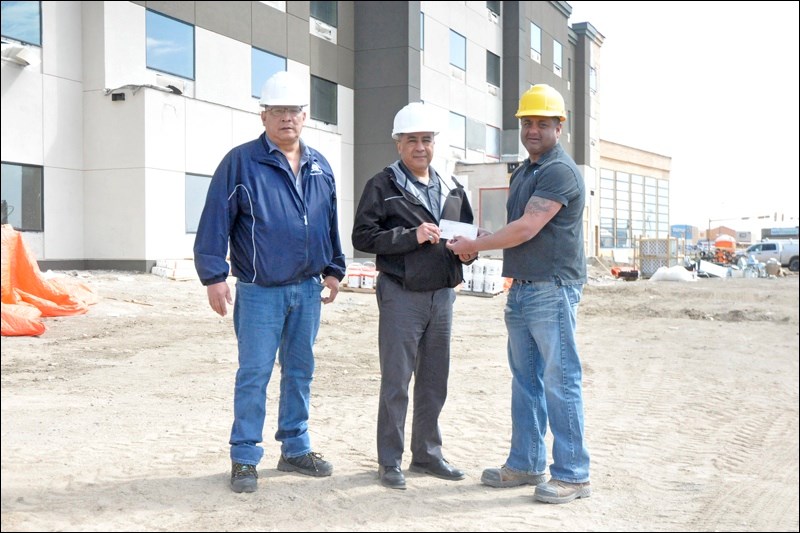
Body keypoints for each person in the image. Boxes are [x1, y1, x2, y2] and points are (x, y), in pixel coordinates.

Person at [193, 71, 346, 494]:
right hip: (260, 291)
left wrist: (334, 267)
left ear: (304, 116)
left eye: (293, 110)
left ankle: (295, 448)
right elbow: (215, 221)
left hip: (308, 289)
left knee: (300, 371)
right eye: (277, 110)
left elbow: (328, 222)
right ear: (263, 115)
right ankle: (244, 457)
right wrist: (213, 276)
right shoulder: (240, 162)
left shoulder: (320, 165)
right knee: (255, 373)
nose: (286, 118)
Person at [447, 83, 591, 504]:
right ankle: (527, 463)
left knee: (559, 381)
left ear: (558, 127)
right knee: (526, 382)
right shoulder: (527, 170)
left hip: (552, 289)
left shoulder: (558, 171)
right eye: (527, 122)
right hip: (524, 289)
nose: (532, 129)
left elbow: (529, 227)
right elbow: (521, 233)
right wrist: (486, 238)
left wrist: (475, 245)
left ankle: (574, 475)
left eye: (542, 123)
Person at [352, 102, 478, 490]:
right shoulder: (382, 186)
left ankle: (427, 454)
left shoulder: (452, 186)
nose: (420, 147)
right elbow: (362, 237)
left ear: (434, 143)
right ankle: (390, 461)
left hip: (442, 295)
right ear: (398, 144)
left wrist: (469, 252)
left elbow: (466, 231)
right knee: (397, 380)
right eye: (412, 141)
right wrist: (411, 236)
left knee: (434, 379)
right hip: (401, 294)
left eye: (426, 140)